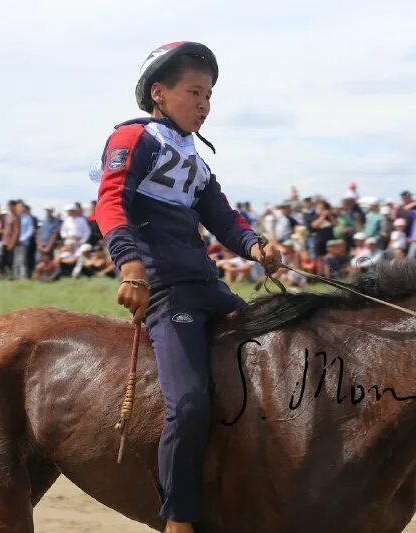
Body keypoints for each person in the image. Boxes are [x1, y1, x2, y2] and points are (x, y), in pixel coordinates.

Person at [94, 41, 279, 533]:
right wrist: (130, 268)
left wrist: (256, 247)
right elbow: (109, 205)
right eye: (194, 92)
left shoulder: (192, 155)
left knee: (277, 355)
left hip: (209, 288)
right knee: (191, 402)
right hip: (168, 294)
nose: (205, 104)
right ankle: (179, 518)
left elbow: (222, 216)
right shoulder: (134, 139)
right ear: (160, 93)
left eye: (210, 94)